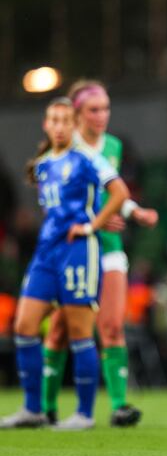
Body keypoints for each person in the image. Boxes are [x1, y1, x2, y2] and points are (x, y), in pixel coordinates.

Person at [0, 97, 130, 429]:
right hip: (47, 252)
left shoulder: (89, 159)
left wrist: (92, 225)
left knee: (79, 333)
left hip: (79, 251)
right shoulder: (43, 164)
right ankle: (33, 409)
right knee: (24, 327)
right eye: (53, 120)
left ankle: (84, 414)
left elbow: (119, 193)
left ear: (74, 126)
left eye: (65, 121)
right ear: (46, 124)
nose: (59, 126)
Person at [41, 80, 158, 427]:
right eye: (94, 109)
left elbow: (109, 194)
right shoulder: (63, 148)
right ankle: (45, 406)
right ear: (77, 113)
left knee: (111, 325)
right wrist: (94, 222)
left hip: (108, 249)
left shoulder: (113, 146)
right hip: (74, 248)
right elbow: (56, 204)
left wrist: (133, 212)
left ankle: (120, 404)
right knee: (60, 329)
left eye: (106, 108)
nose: (102, 115)